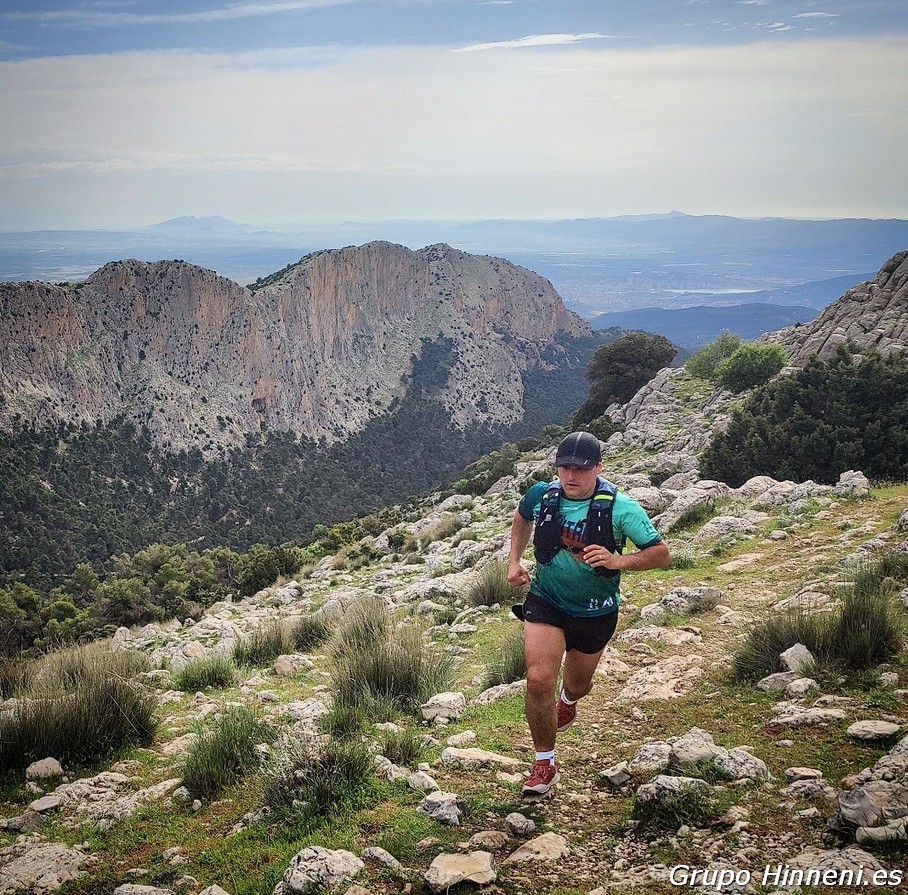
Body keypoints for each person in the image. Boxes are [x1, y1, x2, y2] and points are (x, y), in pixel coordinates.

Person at [507, 431, 671, 796]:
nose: (571, 476)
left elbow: (662, 554)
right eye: (564, 467)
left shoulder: (622, 508)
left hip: (596, 611)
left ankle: (568, 701)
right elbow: (522, 516)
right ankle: (544, 763)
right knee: (538, 680)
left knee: (578, 684)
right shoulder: (542, 495)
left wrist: (618, 561)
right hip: (546, 600)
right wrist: (514, 560)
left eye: (581, 468)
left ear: (599, 467)